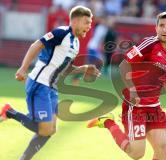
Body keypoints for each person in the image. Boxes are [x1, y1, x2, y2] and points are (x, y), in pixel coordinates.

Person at [87, 11, 166, 160]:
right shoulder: (149, 44)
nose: (165, 29)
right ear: (156, 28)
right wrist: (132, 91)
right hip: (136, 106)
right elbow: (124, 65)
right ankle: (108, 122)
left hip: (154, 107)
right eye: (161, 26)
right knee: (137, 153)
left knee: (162, 149)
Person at [0, 5, 100, 160]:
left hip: (52, 88)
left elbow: (64, 69)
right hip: (39, 84)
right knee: (45, 129)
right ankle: (9, 112)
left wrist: (84, 69)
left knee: (51, 130)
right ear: (77, 21)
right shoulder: (61, 33)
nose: (89, 26)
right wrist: (23, 68)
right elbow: (37, 45)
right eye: (87, 22)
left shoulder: (76, 44)